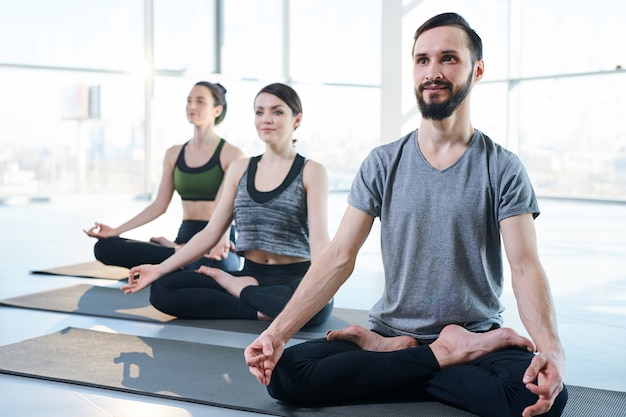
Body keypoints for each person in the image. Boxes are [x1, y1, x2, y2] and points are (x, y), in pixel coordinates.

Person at [244, 13, 567, 417]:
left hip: (477, 336)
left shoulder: (502, 167)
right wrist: (276, 333)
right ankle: (437, 354)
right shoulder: (382, 162)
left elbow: (525, 266)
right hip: (391, 332)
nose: (433, 71)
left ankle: (401, 358)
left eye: (448, 58)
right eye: (422, 60)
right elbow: (339, 255)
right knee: (285, 373)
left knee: (539, 399)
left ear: (477, 70)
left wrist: (551, 350)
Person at [120, 83, 334, 327]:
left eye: (277, 112)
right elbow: (211, 232)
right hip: (251, 273)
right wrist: (158, 269)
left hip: (293, 278)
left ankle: (240, 291)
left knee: (317, 308)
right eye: (259, 112)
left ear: (297, 119)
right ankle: (260, 308)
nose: (266, 119)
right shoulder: (240, 169)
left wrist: (321, 284)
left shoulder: (312, 171)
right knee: (163, 289)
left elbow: (318, 239)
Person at [84, 81, 244, 272]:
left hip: (217, 240)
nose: (192, 106)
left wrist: (220, 239)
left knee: (218, 263)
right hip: (184, 237)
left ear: (217, 110)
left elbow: (224, 207)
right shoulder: (174, 154)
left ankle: (178, 257)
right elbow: (159, 205)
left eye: (200, 101)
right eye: (189, 101)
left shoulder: (232, 154)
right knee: (104, 248)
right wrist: (116, 231)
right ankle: (178, 256)